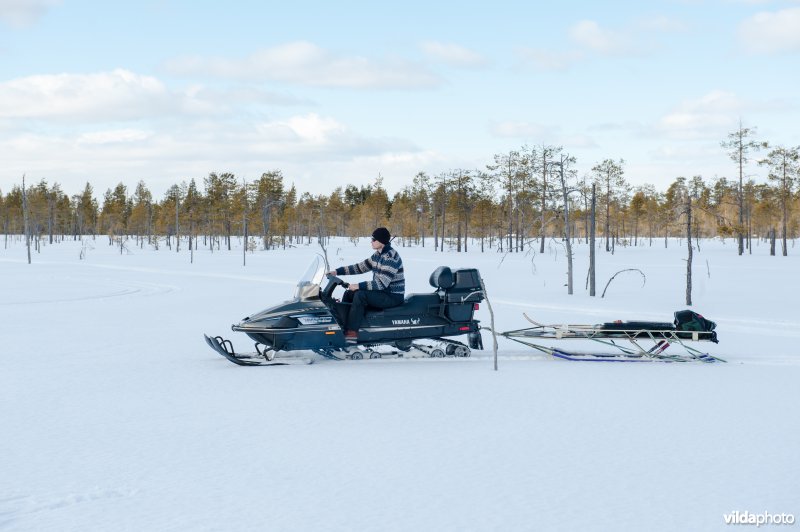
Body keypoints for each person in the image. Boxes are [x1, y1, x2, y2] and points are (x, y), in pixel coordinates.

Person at [328, 227, 405, 343]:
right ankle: (343, 325)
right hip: (382, 293)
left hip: (392, 296)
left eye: (373, 239)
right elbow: (360, 267)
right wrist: (337, 271)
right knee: (350, 293)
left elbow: (381, 283)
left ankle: (352, 332)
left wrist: (359, 285)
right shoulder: (377, 255)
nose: (371, 241)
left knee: (360, 295)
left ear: (381, 241)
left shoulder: (391, 258)